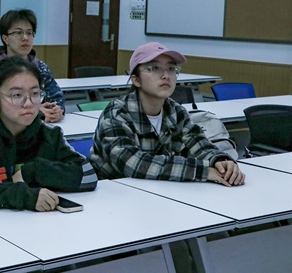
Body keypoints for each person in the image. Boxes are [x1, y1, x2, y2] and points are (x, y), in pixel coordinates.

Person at [0, 56, 97, 211]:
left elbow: (88, 175)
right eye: (17, 95)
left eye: (35, 94)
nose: (28, 104)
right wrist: (23, 196)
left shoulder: (49, 133)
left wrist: (35, 171)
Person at [91, 42, 245, 186]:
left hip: (158, 190)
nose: (166, 75)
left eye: (171, 69)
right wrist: (204, 171)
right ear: (136, 80)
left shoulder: (176, 111)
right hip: (113, 194)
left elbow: (198, 145)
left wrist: (220, 161)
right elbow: (135, 164)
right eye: (154, 68)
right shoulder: (117, 114)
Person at [0, 9, 65, 123]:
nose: (25, 38)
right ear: (5, 38)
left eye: (29, 33)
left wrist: (57, 110)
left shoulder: (40, 67)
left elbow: (56, 97)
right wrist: (36, 112)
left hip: (42, 125)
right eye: (18, 33)